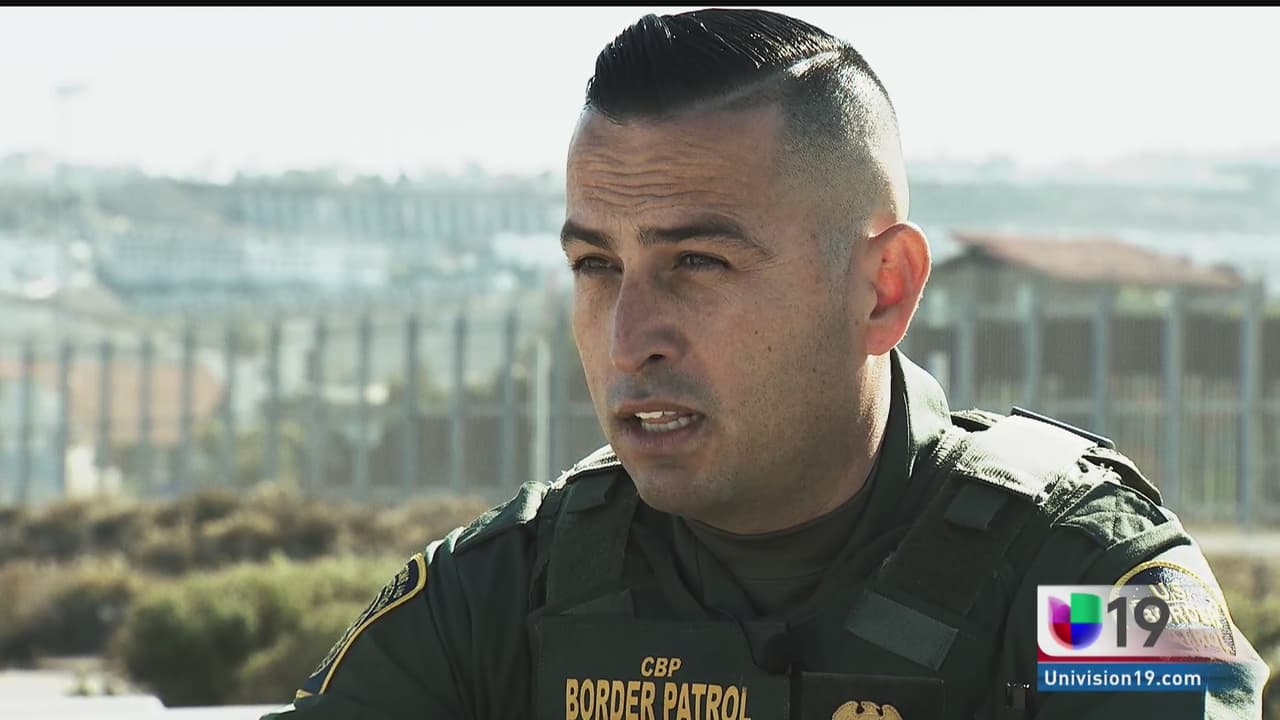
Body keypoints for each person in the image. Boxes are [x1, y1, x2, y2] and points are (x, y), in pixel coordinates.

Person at [261, 9, 1269, 719]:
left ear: (881, 289)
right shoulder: (500, 593)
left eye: (698, 263)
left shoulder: (1085, 586)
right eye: (597, 266)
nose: (629, 338)